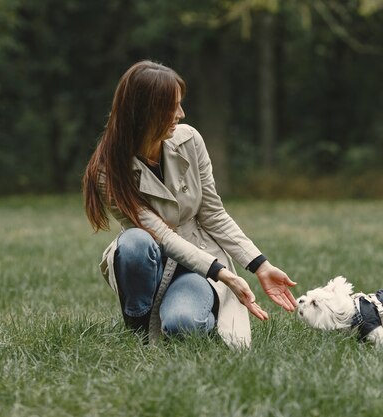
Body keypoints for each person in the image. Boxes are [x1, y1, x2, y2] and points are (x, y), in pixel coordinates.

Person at [82, 60, 297, 348]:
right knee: (134, 242)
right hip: (152, 259)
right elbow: (162, 235)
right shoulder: (107, 171)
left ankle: (192, 314)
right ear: (145, 111)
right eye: (172, 107)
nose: (181, 114)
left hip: (198, 262)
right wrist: (225, 275)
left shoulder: (190, 141)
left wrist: (260, 265)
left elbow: (213, 214)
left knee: (183, 325)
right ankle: (138, 328)